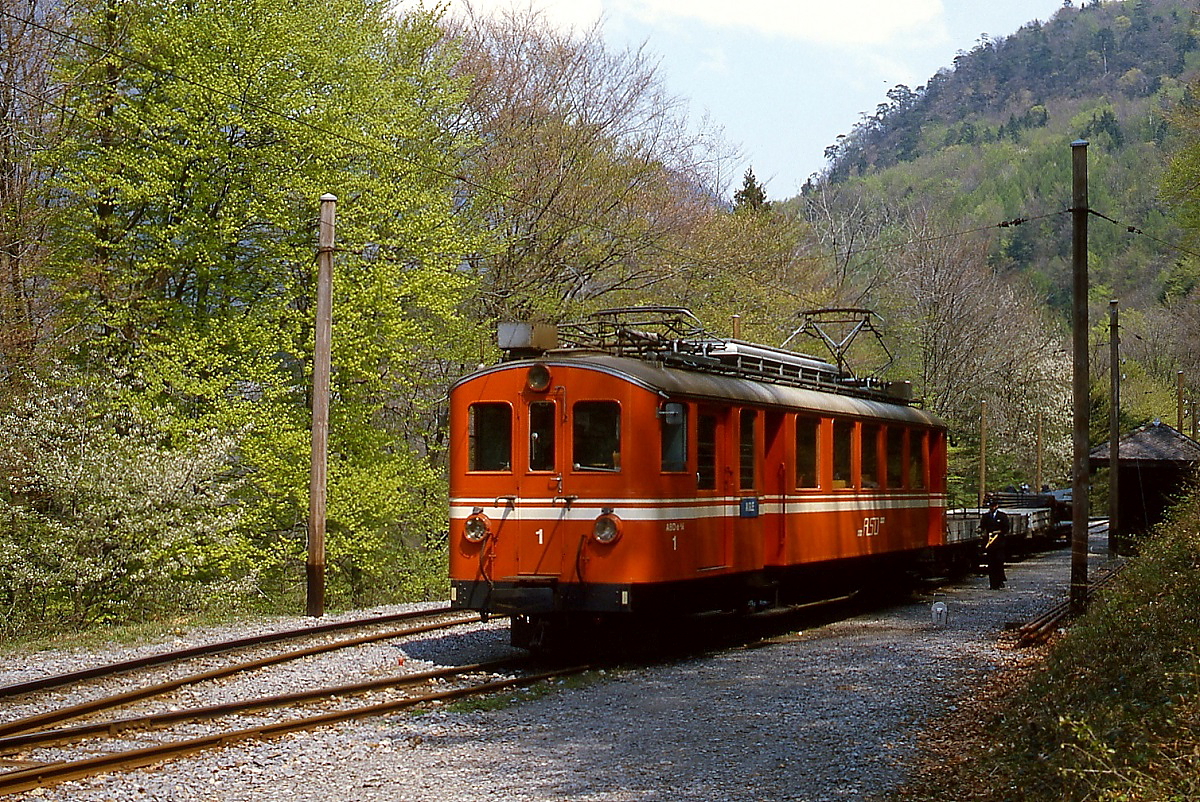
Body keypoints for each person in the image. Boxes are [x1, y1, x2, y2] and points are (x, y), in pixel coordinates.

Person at [979, 498, 1010, 589]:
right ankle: (993, 584)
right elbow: (982, 526)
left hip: (999, 543)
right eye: (990, 506)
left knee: (999, 563)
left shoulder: (1002, 516)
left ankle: (1000, 580)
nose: (991, 508)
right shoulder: (986, 516)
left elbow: (1006, 528)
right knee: (991, 564)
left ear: (996, 506)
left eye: (993, 506)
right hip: (989, 543)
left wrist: (998, 532)